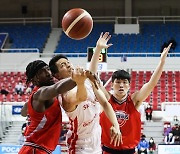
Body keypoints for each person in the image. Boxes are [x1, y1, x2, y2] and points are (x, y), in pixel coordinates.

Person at [89, 32, 172, 153]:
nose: (121, 85)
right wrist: (97, 50)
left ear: (129, 85)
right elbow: (92, 78)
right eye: (118, 82)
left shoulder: (134, 101)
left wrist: (162, 62)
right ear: (112, 84)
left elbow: (151, 84)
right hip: (107, 150)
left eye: (124, 82)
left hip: (130, 151)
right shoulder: (106, 99)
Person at [49, 32, 121, 153]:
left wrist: (97, 49)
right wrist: (80, 82)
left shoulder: (86, 81)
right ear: (56, 75)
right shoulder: (64, 93)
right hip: (79, 143)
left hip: (96, 138)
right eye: (62, 65)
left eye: (67, 62)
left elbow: (105, 103)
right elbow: (80, 98)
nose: (68, 65)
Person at [18, 60, 87, 154]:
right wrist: (77, 78)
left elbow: (23, 113)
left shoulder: (36, 95)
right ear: (35, 80)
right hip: (35, 149)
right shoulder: (40, 93)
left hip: (36, 148)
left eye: (48, 69)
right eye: (42, 72)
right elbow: (57, 88)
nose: (48, 73)